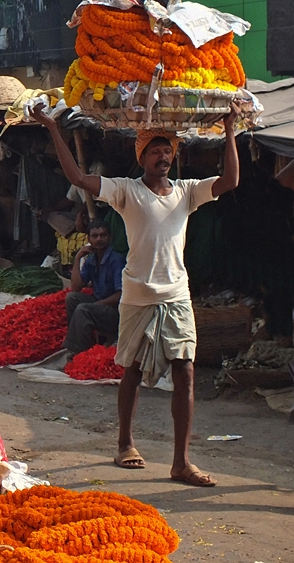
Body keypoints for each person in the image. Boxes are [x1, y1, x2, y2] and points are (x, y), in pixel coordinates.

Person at [32, 102, 241, 488]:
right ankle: (125, 442)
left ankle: (181, 462)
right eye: (155, 151)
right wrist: (50, 127)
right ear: (141, 157)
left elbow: (229, 181)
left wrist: (229, 130)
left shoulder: (186, 193)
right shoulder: (126, 191)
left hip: (176, 295)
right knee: (130, 370)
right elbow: (77, 176)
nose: (163, 156)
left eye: (167, 151)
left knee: (186, 371)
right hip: (137, 296)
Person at [63, 220, 126, 356]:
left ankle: (79, 352)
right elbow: (75, 287)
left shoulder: (116, 260)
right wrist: (78, 258)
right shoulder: (91, 259)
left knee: (83, 308)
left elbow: (121, 295)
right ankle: (81, 343)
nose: (99, 239)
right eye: (95, 236)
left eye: (103, 235)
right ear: (89, 239)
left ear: (110, 238)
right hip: (99, 306)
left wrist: (96, 305)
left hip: (115, 312)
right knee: (71, 298)